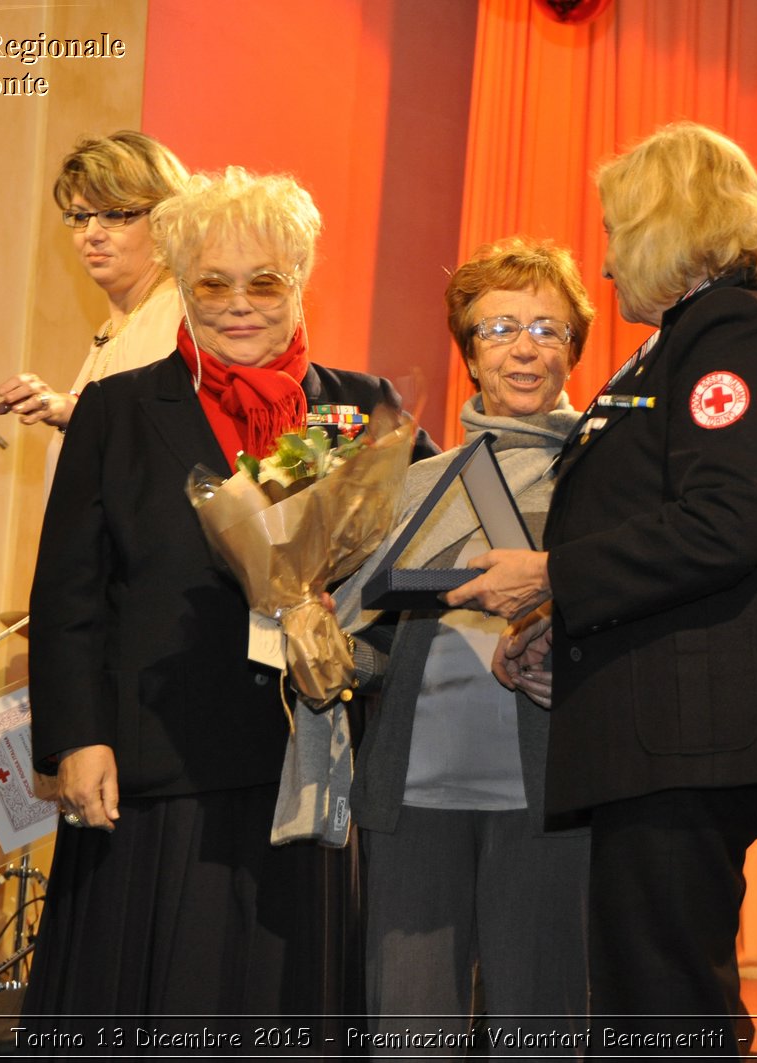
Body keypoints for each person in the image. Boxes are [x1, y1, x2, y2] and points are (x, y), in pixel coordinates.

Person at [448, 123, 757, 1053]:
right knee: (650, 986)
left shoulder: (733, 330)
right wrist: (562, 620)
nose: (602, 263)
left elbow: (726, 520)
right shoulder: (691, 336)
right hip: (670, 728)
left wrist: (551, 572)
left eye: (612, 229)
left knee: (665, 997)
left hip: (693, 732)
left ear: (662, 223)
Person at [21, 166, 432, 1047]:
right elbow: (68, 594)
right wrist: (75, 738)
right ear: (181, 283)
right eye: (212, 282)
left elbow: (428, 562)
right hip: (157, 768)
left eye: (265, 281)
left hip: (308, 763)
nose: (238, 304)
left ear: (300, 280)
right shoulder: (120, 410)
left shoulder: (359, 413)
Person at [332, 238, 593, 1053]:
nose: (526, 348)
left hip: (551, 796)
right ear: (469, 352)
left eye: (548, 329)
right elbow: (377, 642)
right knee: (409, 1036)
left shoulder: (607, 475)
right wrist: (337, 658)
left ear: (575, 349)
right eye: (502, 328)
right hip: (411, 797)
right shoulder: (411, 480)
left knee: (540, 1030)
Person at [0, 131, 188, 480]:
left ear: (164, 219)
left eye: (114, 214)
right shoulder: (112, 329)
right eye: (81, 216)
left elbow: (165, 444)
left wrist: (73, 410)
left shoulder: (178, 314)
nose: (91, 233)